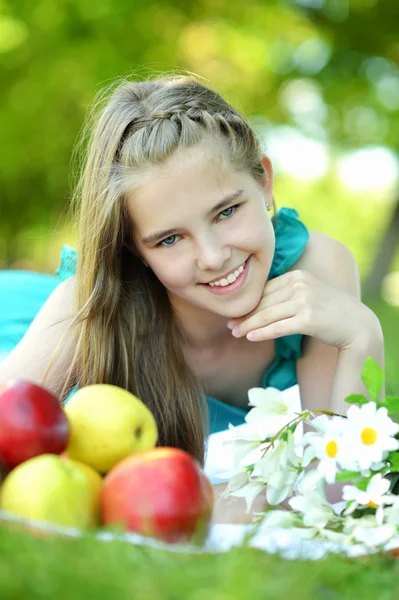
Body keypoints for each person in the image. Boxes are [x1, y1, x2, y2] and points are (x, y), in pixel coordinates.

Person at [0, 73, 384, 521]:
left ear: (264, 181)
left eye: (226, 211)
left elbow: (339, 494)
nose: (214, 257)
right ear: (133, 249)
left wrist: (363, 335)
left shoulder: (316, 272)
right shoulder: (90, 308)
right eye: (169, 240)